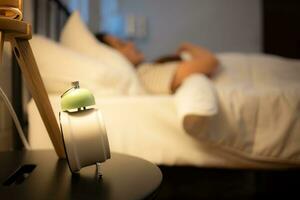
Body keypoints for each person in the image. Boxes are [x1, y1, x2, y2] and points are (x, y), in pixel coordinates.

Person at [96, 33, 219, 93]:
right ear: (112, 57)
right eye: (122, 44)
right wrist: (187, 46)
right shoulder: (145, 75)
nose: (131, 44)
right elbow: (209, 62)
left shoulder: (146, 70)